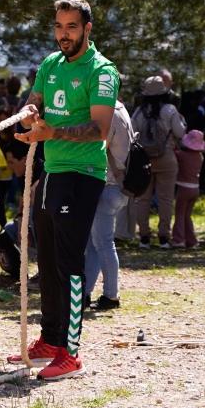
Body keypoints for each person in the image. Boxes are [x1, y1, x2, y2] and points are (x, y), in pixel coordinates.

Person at [7, 0, 117, 381]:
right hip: (50, 171)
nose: (63, 34)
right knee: (48, 260)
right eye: (58, 26)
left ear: (87, 29)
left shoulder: (102, 71)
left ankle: (71, 354)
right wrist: (29, 115)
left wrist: (51, 132)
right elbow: (33, 103)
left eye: (71, 26)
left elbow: (100, 128)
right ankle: (50, 340)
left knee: (70, 264)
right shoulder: (51, 65)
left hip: (83, 173)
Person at [83, 95, 133, 311]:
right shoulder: (121, 108)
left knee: (103, 244)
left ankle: (111, 296)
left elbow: (98, 149)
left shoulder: (108, 113)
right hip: (119, 185)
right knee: (95, 244)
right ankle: (85, 294)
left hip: (108, 186)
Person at [131, 75, 186, 249]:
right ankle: (163, 238)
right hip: (166, 158)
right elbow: (180, 133)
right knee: (165, 199)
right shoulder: (170, 109)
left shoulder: (139, 111)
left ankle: (144, 238)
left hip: (143, 160)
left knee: (143, 199)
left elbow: (131, 133)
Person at [172, 129, 205, 248]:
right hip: (195, 189)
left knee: (180, 214)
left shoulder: (183, 155)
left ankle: (179, 239)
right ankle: (191, 240)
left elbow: (175, 152)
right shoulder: (200, 157)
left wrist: (173, 143)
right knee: (187, 216)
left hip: (184, 188)